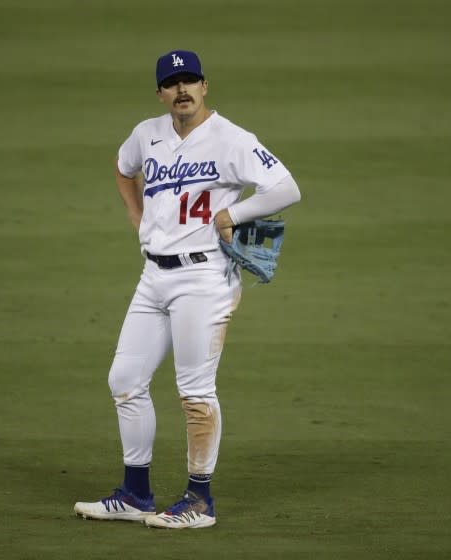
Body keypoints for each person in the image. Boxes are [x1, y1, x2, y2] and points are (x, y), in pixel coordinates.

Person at [73, 50, 301, 529]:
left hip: (205, 279)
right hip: (153, 277)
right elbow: (122, 166)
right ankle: (136, 494)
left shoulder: (232, 139)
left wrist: (233, 214)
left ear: (205, 86)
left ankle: (200, 502)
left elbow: (285, 187)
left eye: (190, 81)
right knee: (125, 382)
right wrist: (138, 217)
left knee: (195, 391)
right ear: (160, 92)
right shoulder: (146, 134)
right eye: (172, 83)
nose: (182, 90)